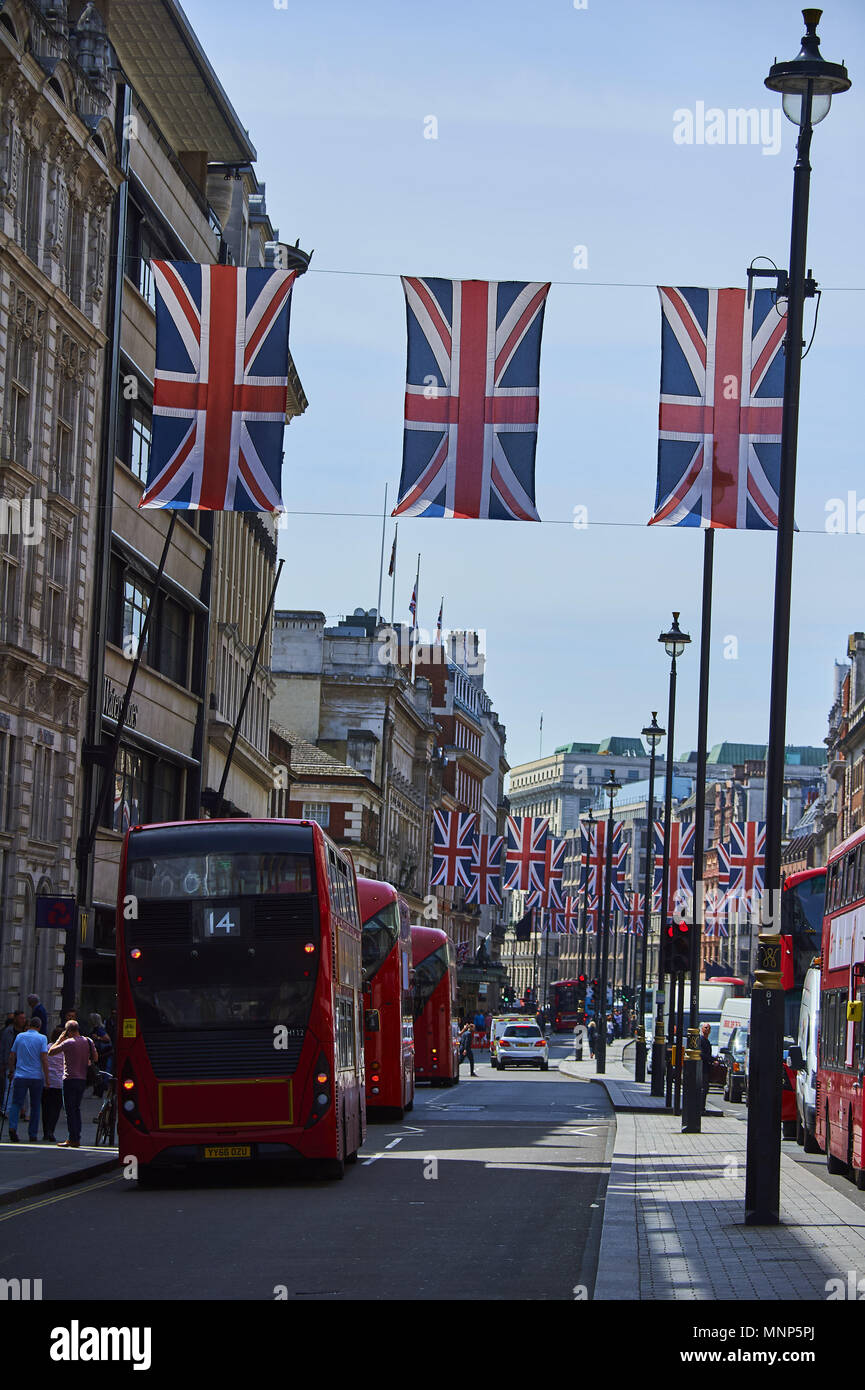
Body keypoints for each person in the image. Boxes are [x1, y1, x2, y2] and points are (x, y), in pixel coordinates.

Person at [48, 1020, 98, 1148]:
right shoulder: (88, 1041)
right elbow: (96, 1058)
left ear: (68, 1030)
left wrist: (60, 1039)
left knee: (70, 1110)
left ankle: (73, 1138)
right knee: (76, 1108)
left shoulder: (68, 1042)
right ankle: (77, 1136)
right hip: (82, 1079)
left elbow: (51, 1052)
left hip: (69, 1079)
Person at [6, 1017, 49, 1142]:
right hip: (36, 1076)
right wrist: (47, 1078)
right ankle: (33, 1133)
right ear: (39, 1026)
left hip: (20, 1075)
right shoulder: (42, 1038)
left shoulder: (20, 1036)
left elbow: (12, 1055)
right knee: (35, 1106)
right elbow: (44, 1059)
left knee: (16, 1103)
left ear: (29, 1025)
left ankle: (12, 1127)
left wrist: (11, 1070)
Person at [41, 1026, 65, 1143]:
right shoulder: (64, 1049)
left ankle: (46, 1131)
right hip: (59, 1083)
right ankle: (51, 1130)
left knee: (46, 1107)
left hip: (47, 1081)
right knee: (56, 1108)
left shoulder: (47, 1048)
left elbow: (43, 1063)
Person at [88, 1013, 111, 1097]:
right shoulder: (96, 1029)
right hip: (98, 1052)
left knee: (98, 1071)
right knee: (97, 1071)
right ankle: (97, 1090)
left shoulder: (99, 1029)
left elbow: (107, 1038)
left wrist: (97, 1038)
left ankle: (99, 1091)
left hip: (101, 1053)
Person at [699, 1022, 713, 1114]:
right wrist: (711, 1059)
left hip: (706, 1068)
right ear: (702, 1029)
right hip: (701, 1068)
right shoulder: (700, 1040)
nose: (707, 1029)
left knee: (705, 1088)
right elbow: (701, 1054)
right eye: (705, 1028)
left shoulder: (707, 1041)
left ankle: (702, 1107)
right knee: (703, 1088)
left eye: (708, 1028)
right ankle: (700, 1107)